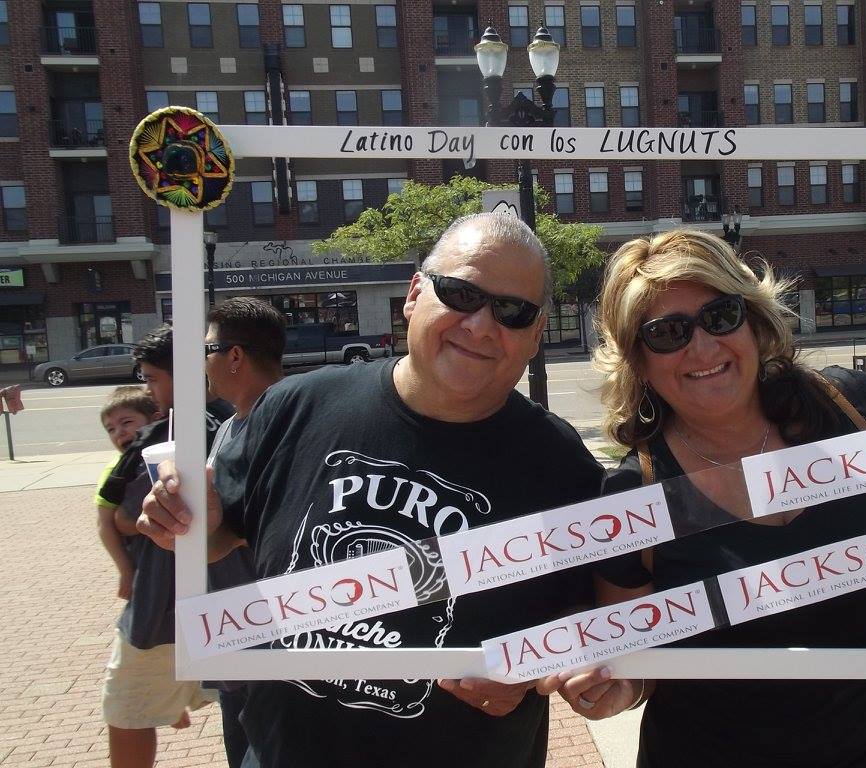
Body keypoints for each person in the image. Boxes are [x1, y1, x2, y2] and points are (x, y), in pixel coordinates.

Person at [139, 212, 605, 768]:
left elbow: (592, 612)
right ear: (414, 294)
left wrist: (531, 668)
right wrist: (186, 523)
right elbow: (223, 533)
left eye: (512, 312)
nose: (480, 326)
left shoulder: (559, 463)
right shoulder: (296, 407)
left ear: (535, 333)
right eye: (459, 294)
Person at [542, 229, 866, 768]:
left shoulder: (856, 409)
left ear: (753, 321)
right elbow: (639, 657)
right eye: (667, 333)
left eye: (720, 317)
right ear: (639, 361)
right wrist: (620, 688)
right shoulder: (636, 496)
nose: (702, 348)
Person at [98, 325, 234, 768]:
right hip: (225, 601)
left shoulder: (171, 436)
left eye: (153, 378)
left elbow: (128, 517)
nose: (148, 389)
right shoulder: (235, 418)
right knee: (240, 711)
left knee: (127, 712)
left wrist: (118, 518)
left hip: (162, 607)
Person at [202, 297, 287, 768]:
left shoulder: (281, 424)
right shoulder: (231, 425)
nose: (204, 363)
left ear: (234, 355)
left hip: (272, 629)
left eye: (207, 350)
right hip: (235, 624)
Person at [96, 386, 160, 602]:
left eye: (126, 422)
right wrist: (126, 571)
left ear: (155, 421)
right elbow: (104, 524)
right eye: (110, 429)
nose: (119, 433)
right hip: (139, 562)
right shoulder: (115, 470)